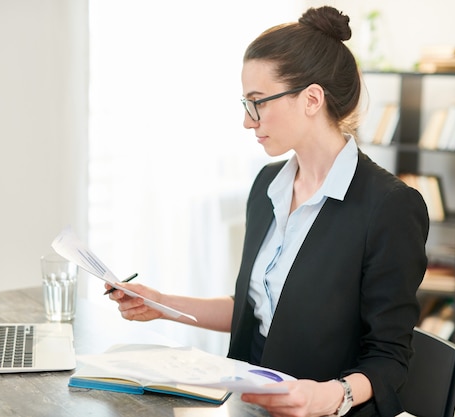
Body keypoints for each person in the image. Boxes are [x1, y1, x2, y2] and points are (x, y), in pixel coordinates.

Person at [105, 5, 429, 417]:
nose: (246, 120)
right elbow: (255, 306)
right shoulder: (268, 186)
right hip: (246, 403)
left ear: (312, 99)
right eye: (245, 102)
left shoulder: (389, 207)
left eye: (257, 102)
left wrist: (325, 397)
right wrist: (162, 304)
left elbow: (389, 359)